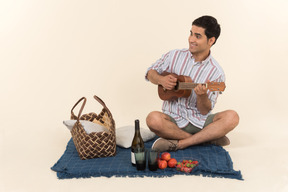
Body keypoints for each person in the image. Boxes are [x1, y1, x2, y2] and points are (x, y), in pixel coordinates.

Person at [145, 15, 239, 152]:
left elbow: (205, 110)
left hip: (200, 122)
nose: (191, 39)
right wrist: (161, 80)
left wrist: (202, 96)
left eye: (198, 36)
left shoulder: (216, 73)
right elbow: (150, 73)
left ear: (211, 40)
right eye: (191, 33)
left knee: (232, 117)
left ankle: (182, 143)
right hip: (172, 120)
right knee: (152, 119)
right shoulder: (174, 55)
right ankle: (205, 139)